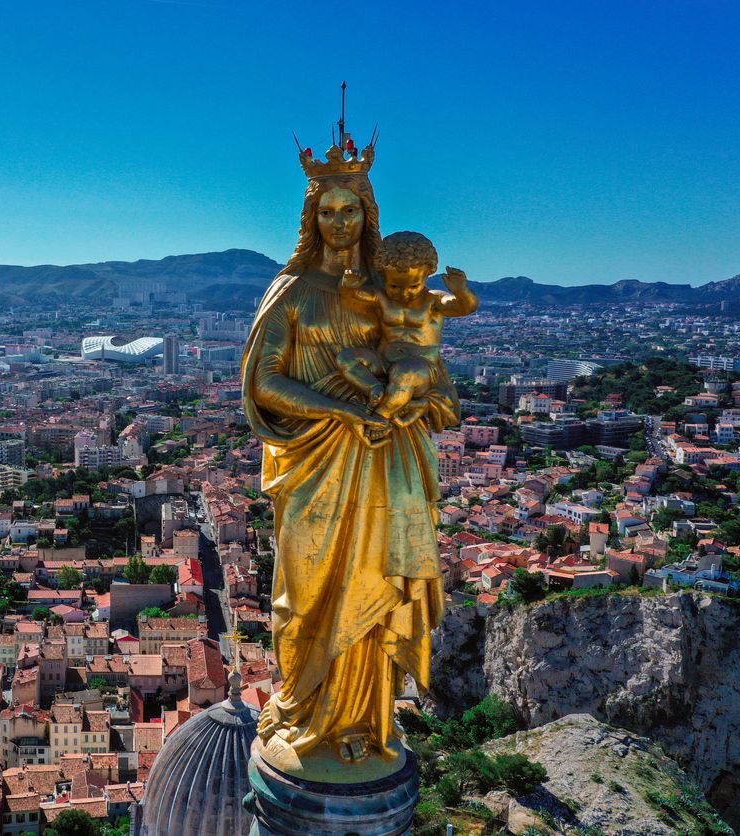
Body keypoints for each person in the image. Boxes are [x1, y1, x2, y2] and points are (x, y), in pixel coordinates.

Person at [241, 143, 456, 767]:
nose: (340, 222)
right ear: (313, 219)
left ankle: (364, 719)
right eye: (329, 210)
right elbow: (264, 382)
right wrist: (344, 409)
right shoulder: (292, 291)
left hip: (386, 459)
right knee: (304, 594)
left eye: (351, 210)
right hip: (316, 460)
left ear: (367, 215)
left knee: (374, 586)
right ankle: (306, 706)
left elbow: (424, 362)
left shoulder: (391, 290)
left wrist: (423, 400)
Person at [336, 230, 478, 425]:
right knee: (347, 358)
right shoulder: (380, 297)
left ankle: (380, 418)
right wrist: (348, 287)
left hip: (421, 368)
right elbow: (353, 298)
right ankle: (374, 390)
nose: (404, 294)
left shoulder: (433, 300)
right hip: (384, 360)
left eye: (413, 287)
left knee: (405, 374)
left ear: (427, 276)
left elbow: (464, 307)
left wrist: (462, 292)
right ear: (384, 275)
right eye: (394, 286)